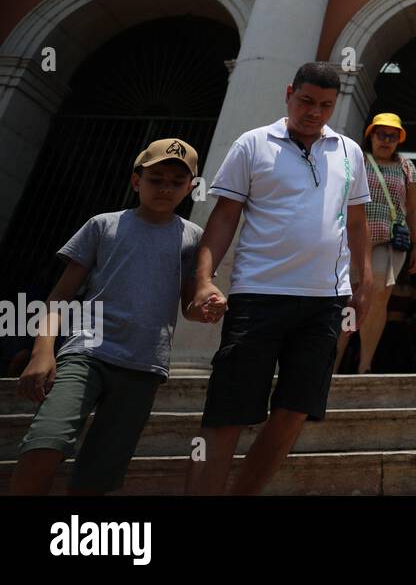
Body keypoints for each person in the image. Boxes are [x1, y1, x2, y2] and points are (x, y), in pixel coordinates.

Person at [186, 62, 372, 496]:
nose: (315, 112)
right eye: (306, 101)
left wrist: (363, 285)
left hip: (326, 302)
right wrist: (203, 280)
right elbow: (224, 216)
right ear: (289, 93)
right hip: (258, 297)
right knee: (227, 414)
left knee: (294, 411)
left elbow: (358, 220)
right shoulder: (252, 144)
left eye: (326, 105)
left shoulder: (349, 151)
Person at [10, 138, 205, 495]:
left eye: (177, 182)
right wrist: (42, 351)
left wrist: (210, 304)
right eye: (155, 178)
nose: (165, 187)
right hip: (85, 353)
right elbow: (60, 295)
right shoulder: (103, 225)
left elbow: (191, 308)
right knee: (45, 442)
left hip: (144, 365)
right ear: (136, 181)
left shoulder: (193, 239)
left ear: (192, 187)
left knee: (101, 472)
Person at [335, 112, 416, 374]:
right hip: (354, 238)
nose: (386, 140)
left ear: (399, 140)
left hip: (389, 239)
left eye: (392, 136)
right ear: (371, 135)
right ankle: (332, 362)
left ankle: (365, 364)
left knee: (379, 299)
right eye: (381, 134)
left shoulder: (406, 166)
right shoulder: (357, 160)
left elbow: (412, 208)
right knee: (351, 297)